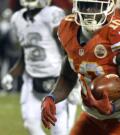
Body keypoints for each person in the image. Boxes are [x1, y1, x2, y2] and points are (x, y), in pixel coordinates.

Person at [41, 0, 120, 134]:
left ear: (109, 6)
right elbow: (68, 76)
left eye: (95, 6)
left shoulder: (118, 34)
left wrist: (112, 108)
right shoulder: (67, 28)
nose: (89, 12)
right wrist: (51, 97)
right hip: (92, 115)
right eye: (85, 6)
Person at [1, 0, 80, 135]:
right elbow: (25, 55)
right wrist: (11, 75)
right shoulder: (17, 18)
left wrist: (74, 84)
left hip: (58, 80)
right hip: (32, 79)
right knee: (30, 123)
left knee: (61, 131)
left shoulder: (52, 14)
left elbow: (68, 50)